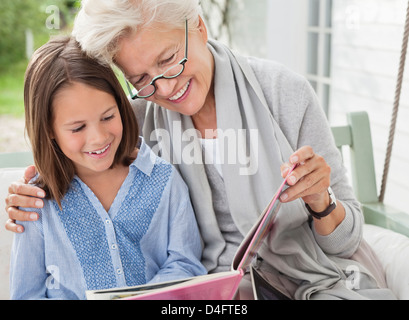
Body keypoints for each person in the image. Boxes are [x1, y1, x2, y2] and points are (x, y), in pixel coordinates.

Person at [5, 0, 395, 299]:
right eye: (140, 78)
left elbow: (344, 242)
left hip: (307, 278)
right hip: (216, 293)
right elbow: (72, 120)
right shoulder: (131, 124)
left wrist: (319, 200)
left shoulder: (283, 93)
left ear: (200, 27)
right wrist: (36, 184)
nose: (165, 86)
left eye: (170, 58)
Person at [9, 36, 206, 300]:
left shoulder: (164, 180)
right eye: (78, 128)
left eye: (108, 117)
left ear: (121, 107)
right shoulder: (36, 204)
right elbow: (26, 294)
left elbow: (186, 264)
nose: (99, 138)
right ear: (49, 130)